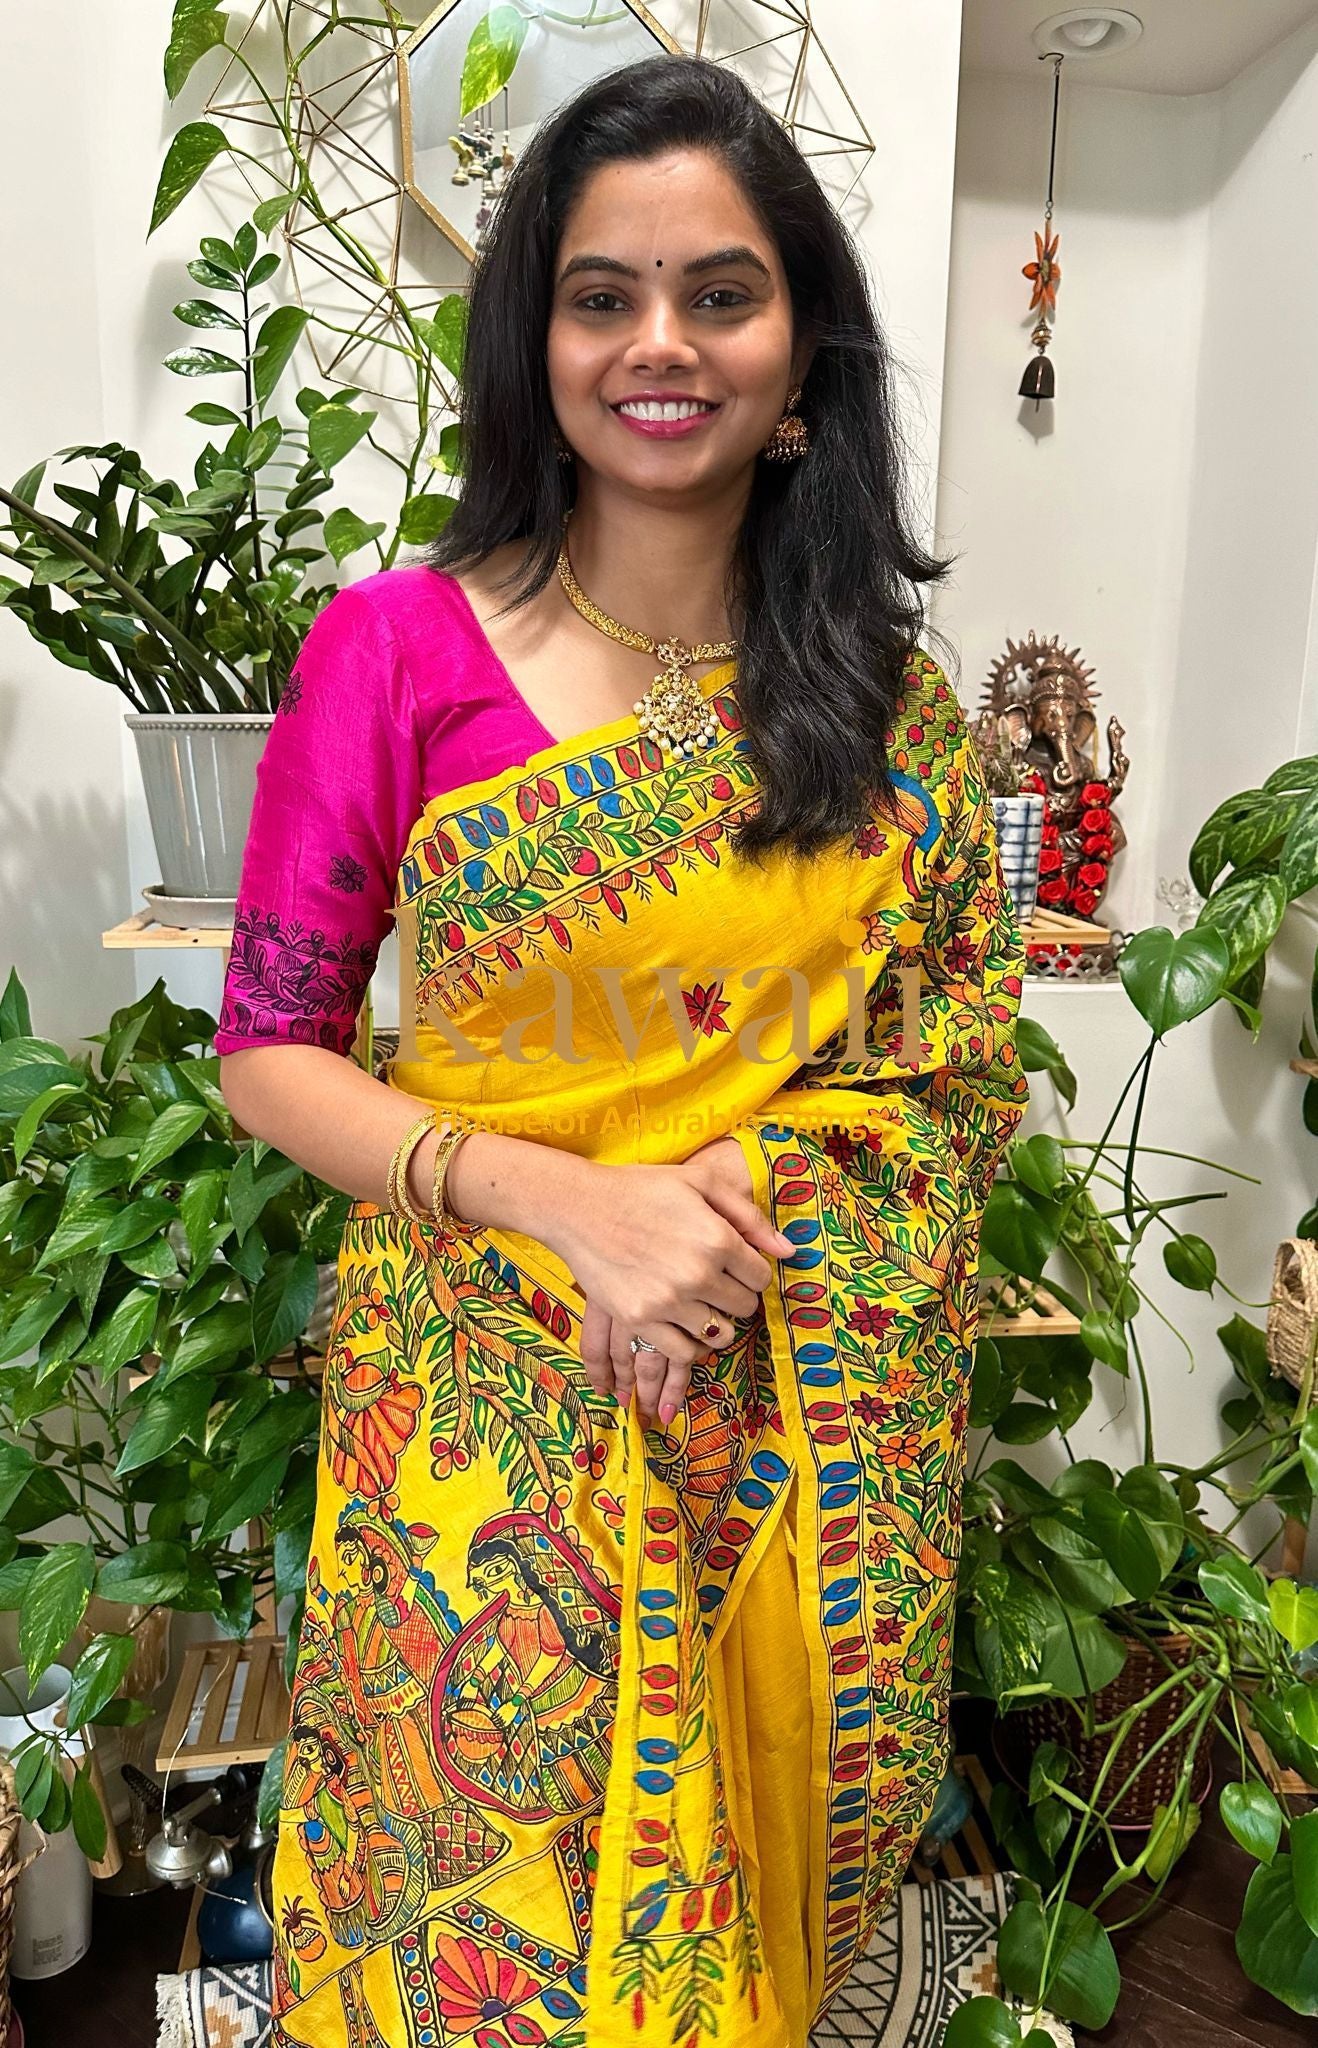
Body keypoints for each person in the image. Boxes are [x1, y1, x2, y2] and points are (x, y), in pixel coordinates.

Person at [215, 50, 1028, 2048]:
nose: (660, 345)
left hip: (776, 1423)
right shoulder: (394, 651)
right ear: (537, 337)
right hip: (479, 1438)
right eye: (603, 295)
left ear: (800, 350)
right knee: (467, 1922)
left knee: (738, 1938)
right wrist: (558, 1198)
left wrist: (753, 1207)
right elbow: (269, 1049)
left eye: (719, 293)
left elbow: (947, 1063)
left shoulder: (879, 704)